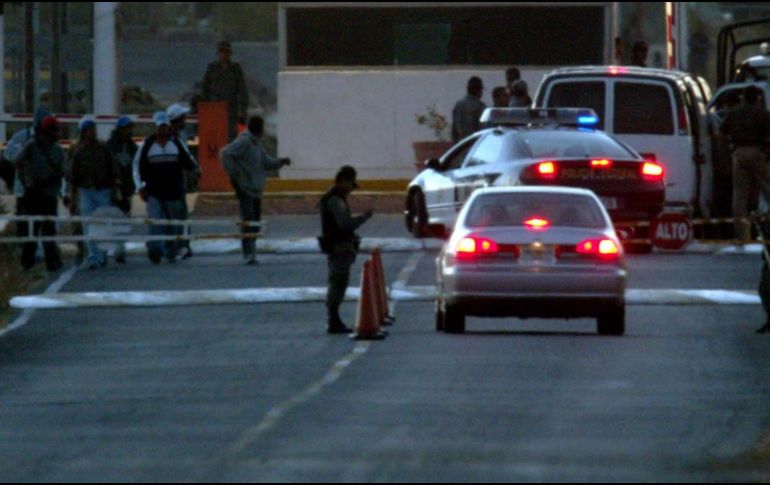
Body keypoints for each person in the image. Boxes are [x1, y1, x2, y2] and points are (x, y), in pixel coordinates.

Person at [221, 115, 290, 265]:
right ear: (259, 128)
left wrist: (280, 162)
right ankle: (248, 254)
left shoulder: (256, 144)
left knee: (255, 222)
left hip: (256, 189)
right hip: (246, 188)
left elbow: (266, 162)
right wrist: (235, 175)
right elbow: (225, 154)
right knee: (248, 221)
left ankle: (251, 251)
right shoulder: (245, 141)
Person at [133, 112, 197, 264]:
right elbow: (137, 167)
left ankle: (170, 251)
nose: (163, 130)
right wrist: (140, 187)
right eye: (160, 126)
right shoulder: (147, 145)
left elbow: (188, 160)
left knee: (172, 223)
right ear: (155, 127)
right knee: (155, 221)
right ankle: (154, 250)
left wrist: (196, 169)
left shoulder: (176, 143)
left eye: (165, 126)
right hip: (154, 191)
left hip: (173, 192)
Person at [319, 166, 373, 334]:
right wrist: (364, 218)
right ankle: (333, 319)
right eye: (350, 184)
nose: (350, 189)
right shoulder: (335, 200)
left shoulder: (334, 198)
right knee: (338, 283)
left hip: (339, 246)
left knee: (338, 282)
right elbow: (345, 224)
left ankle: (334, 318)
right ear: (342, 181)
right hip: (339, 247)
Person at [15, 116, 66, 272]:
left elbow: (63, 172)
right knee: (34, 230)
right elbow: (18, 162)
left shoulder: (57, 149)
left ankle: (51, 261)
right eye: (55, 130)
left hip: (48, 195)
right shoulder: (32, 147)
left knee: (48, 231)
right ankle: (27, 263)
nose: (58, 133)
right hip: (35, 195)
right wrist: (27, 180)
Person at [720, 86, 770, 244]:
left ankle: (742, 236)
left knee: (739, 195)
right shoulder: (763, 114)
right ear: (757, 98)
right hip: (757, 152)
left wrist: (728, 150)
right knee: (767, 188)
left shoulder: (733, 113)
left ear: (743, 98)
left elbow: (721, 132)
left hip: (738, 153)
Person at [69, 118, 120, 270]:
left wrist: (114, 192)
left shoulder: (103, 148)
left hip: (103, 191)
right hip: (86, 191)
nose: (92, 132)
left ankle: (102, 253)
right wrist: (73, 198)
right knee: (88, 225)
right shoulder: (78, 151)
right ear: (83, 132)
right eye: (89, 129)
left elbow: (112, 170)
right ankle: (94, 257)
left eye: (93, 129)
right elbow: (73, 176)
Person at [4, 108, 51, 252]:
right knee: (24, 221)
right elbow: (9, 155)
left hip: (44, 188)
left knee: (43, 221)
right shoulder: (22, 137)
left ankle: (40, 252)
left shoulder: (49, 139)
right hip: (24, 189)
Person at [167, 104, 201, 260]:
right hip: (171, 183)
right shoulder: (169, 139)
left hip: (179, 183)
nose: (185, 121)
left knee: (182, 214)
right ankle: (176, 246)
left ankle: (183, 245)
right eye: (182, 118)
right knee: (175, 215)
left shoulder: (180, 137)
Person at [202, 40, 250, 141]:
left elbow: (242, 89)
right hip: (215, 107)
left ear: (230, 53)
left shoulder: (235, 69)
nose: (224, 54)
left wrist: (243, 109)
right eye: (222, 51)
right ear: (218, 53)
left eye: (226, 52)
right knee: (215, 137)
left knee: (231, 136)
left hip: (231, 108)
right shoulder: (212, 68)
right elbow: (205, 87)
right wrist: (206, 105)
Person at [106, 116, 139, 264]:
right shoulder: (110, 146)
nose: (129, 131)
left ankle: (120, 248)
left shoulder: (132, 147)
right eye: (126, 128)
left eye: (130, 128)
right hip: (113, 188)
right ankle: (112, 247)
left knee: (124, 219)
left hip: (127, 188)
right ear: (119, 129)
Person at [452, 77, 487, 143]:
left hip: (461, 144)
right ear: (478, 90)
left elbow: (454, 130)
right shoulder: (480, 106)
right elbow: (483, 129)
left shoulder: (458, 105)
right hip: (474, 143)